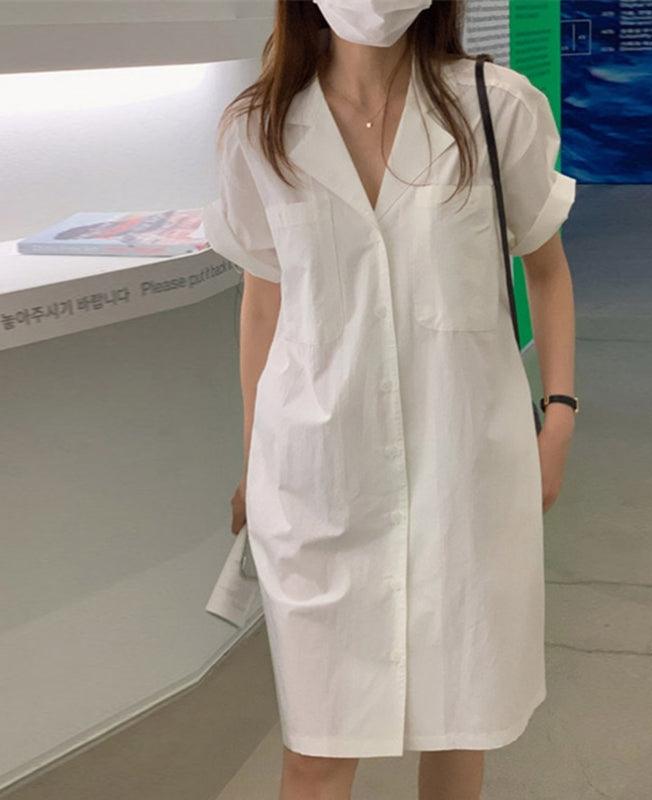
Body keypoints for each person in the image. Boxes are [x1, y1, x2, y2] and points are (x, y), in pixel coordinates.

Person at [201, 1, 578, 798]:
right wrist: (252, 460)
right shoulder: (257, 128)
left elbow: (546, 271)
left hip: (464, 468)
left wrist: (559, 420)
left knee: (460, 724)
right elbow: (263, 303)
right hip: (319, 476)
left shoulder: (497, 107)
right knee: (316, 748)